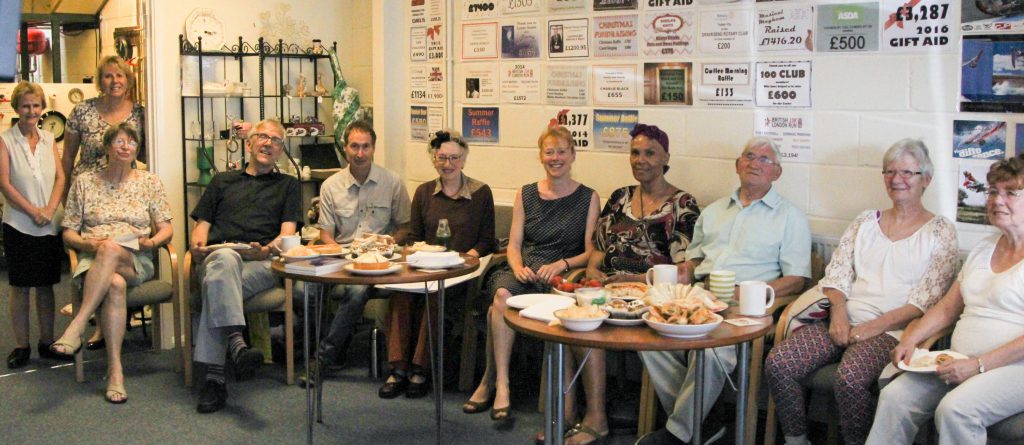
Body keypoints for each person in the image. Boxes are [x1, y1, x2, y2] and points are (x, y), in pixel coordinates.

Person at [765, 139, 959, 445]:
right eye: (890, 171)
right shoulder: (865, 221)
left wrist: (872, 328)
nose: (897, 180)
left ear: (927, 180)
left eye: (908, 172)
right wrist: (839, 316)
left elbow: (925, 301)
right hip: (845, 320)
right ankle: (796, 439)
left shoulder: (940, 231)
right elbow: (838, 275)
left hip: (893, 330)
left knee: (850, 378)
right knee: (780, 362)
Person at [637, 137, 812, 445]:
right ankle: (703, 423)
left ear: (777, 173)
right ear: (737, 165)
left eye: (764, 160)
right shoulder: (715, 210)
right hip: (700, 298)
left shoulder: (790, 217)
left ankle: (678, 434)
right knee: (648, 334)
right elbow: (696, 258)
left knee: (716, 349)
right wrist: (684, 271)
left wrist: (751, 292)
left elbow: (797, 280)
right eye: (749, 156)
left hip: (746, 306)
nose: (755, 163)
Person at [866, 155, 1024, 445]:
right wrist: (910, 340)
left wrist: (979, 365)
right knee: (895, 397)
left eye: (1010, 193)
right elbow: (947, 309)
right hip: (958, 361)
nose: (997, 200)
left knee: (957, 411)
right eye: (992, 192)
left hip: (1015, 369)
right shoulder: (983, 248)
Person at [464, 126, 600, 426]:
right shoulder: (525, 193)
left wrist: (563, 264)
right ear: (540, 157)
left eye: (562, 151)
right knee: (500, 296)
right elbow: (513, 245)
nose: (555, 158)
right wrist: (516, 267)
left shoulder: (588, 197)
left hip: (561, 274)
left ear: (573, 155)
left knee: (493, 313)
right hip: (524, 270)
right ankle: (503, 385)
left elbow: (590, 252)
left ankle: (487, 381)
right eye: (549, 152)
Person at [51, 123, 172, 404]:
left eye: (131, 143)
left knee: (111, 249)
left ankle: (77, 324)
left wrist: (152, 243)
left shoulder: (149, 182)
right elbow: (68, 231)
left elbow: (166, 228)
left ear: (136, 150)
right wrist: (86, 244)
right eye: (118, 141)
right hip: (93, 260)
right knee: (114, 283)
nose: (125, 147)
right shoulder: (84, 182)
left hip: (136, 260)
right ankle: (116, 371)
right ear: (107, 147)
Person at [189, 119, 301, 413]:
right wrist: (197, 246)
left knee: (218, 283)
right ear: (249, 143)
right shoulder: (222, 181)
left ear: (280, 151)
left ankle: (214, 379)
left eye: (276, 140)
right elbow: (202, 227)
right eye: (262, 137)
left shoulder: (288, 185)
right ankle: (237, 344)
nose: (268, 143)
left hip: (261, 262)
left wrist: (267, 248)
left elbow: (288, 233)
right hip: (217, 258)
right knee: (224, 262)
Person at [378, 130, 495, 399]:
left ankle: (420, 369)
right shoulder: (423, 192)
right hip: (424, 267)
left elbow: (487, 241)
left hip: (460, 273)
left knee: (434, 298)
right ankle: (398, 369)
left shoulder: (480, 193)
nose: (448, 164)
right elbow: (414, 237)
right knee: (401, 295)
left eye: (454, 157)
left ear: (464, 160)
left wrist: (466, 259)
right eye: (442, 157)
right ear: (434, 159)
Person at [299, 120, 411, 387]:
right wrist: (339, 251)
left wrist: (386, 244)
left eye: (365, 147)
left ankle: (323, 359)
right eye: (354, 147)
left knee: (357, 291)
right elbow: (325, 233)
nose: (360, 153)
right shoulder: (330, 186)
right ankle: (336, 344)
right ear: (345, 148)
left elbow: (406, 227)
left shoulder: (392, 182)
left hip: (379, 262)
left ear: (373, 148)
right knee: (306, 290)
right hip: (341, 257)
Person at [60, 55, 145, 350]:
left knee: (110, 254)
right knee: (100, 249)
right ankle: (97, 326)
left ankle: (87, 325)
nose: (114, 81)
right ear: (100, 80)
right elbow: (68, 158)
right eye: (108, 76)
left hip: (125, 192)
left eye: (120, 76)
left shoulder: (140, 113)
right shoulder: (82, 111)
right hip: (90, 195)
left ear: (128, 80)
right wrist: (66, 195)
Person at [0, 82, 67, 369]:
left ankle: (47, 341)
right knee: (20, 287)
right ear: (17, 108)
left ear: (42, 108)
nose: (31, 111)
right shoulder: (5, 140)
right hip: (18, 224)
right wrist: (32, 211)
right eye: (26, 106)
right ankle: (22, 345)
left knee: (45, 286)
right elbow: (4, 183)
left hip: (49, 224)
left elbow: (61, 178)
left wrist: (50, 209)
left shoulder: (49, 138)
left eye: (36, 106)